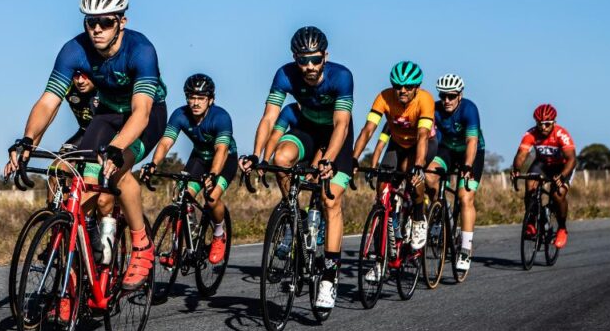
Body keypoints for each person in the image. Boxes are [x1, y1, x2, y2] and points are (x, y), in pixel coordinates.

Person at [4, 0, 167, 291]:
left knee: (116, 171)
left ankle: (141, 244)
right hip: (106, 113)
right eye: (90, 21)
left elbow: (141, 112)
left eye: (106, 21)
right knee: (84, 186)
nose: (97, 29)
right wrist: (27, 141)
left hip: (145, 115)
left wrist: (117, 148)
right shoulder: (73, 50)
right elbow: (48, 102)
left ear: (122, 21)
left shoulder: (141, 50)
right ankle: (80, 263)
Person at [241, 26, 354, 311]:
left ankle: (329, 276)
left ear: (325, 56)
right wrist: (256, 155)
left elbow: (341, 124)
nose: (310, 66)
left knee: (330, 199)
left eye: (315, 59)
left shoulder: (341, 76)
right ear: (295, 57)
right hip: (307, 129)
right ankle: (296, 215)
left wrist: (328, 158)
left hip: (336, 135)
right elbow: (269, 118)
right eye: (303, 60)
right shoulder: (284, 74)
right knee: (280, 160)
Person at [141, 74, 238, 264]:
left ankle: (219, 233)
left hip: (224, 159)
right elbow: (166, 143)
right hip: (200, 157)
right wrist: (153, 163)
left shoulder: (221, 117)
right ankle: (180, 246)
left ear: (211, 99)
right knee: (181, 195)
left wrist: (213, 174)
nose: (195, 102)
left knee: (211, 199)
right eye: (191, 97)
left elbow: (221, 149)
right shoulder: (180, 114)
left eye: (201, 98)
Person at [352, 61, 435, 258]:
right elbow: (368, 130)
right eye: (398, 86)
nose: (402, 91)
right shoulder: (384, 97)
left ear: (417, 87)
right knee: (382, 190)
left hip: (423, 144)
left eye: (408, 87)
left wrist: (419, 166)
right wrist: (353, 158)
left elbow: (423, 135)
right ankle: (383, 251)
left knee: (414, 178)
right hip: (397, 144)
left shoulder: (425, 100)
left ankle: (418, 218)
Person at [423, 74, 485, 271]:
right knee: (429, 176)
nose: (447, 100)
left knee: (465, 197)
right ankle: (441, 212)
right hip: (447, 149)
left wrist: (467, 166)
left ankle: (466, 249)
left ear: (460, 95)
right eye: (443, 96)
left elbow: (472, 142)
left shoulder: (469, 109)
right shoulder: (435, 108)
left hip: (470, 152)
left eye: (451, 96)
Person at [511, 104, 575, 249]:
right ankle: (531, 222)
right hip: (543, 164)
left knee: (558, 194)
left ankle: (562, 228)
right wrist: (515, 170)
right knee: (530, 185)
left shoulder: (561, 134)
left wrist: (563, 176)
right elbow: (521, 155)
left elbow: (572, 159)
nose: (543, 127)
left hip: (563, 166)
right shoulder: (531, 134)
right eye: (540, 124)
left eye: (547, 124)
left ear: (554, 122)